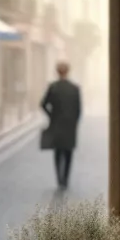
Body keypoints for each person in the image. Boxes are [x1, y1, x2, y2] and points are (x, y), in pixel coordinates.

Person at [41, 61, 81, 189]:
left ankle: (59, 179)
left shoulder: (53, 87)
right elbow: (79, 109)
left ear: (57, 72)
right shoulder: (75, 88)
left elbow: (43, 104)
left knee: (58, 152)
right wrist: (74, 121)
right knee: (69, 152)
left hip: (56, 123)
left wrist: (51, 115)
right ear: (68, 71)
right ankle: (66, 179)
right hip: (70, 125)